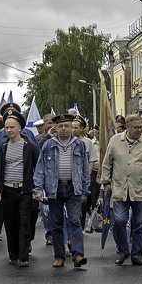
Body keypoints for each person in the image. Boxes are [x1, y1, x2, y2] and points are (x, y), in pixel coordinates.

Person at [100, 113, 142, 266]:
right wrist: (105, 182)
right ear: (127, 127)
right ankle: (123, 250)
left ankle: (136, 255)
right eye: (136, 127)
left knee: (139, 224)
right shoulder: (115, 141)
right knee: (119, 221)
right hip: (120, 189)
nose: (140, 130)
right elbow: (107, 163)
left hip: (141, 190)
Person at [34, 113, 90, 268]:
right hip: (54, 188)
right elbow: (40, 169)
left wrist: (85, 190)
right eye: (60, 126)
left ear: (71, 127)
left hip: (74, 188)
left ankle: (78, 255)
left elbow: (85, 169)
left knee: (74, 221)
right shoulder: (48, 145)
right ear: (55, 128)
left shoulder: (79, 144)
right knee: (56, 223)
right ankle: (59, 256)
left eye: (67, 126)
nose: (64, 129)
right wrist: (38, 189)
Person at [0, 112, 39, 265]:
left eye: (12, 127)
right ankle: (13, 254)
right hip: (7, 190)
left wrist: (37, 189)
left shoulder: (30, 147)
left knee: (24, 222)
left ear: (20, 128)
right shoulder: (2, 148)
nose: (9, 130)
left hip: (24, 191)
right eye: (6, 127)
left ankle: (24, 256)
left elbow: (38, 168)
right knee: (10, 223)